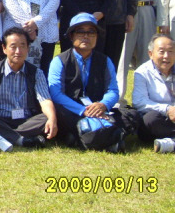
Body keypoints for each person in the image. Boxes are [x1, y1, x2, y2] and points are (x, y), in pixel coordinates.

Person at [47, 13, 130, 152]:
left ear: (97, 37)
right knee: (57, 112)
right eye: (81, 32)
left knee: (130, 116)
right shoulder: (59, 61)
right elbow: (56, 94)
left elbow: (113, 90)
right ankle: (109, 138)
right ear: (72, 36)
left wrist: (103, 105)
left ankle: (80, 137)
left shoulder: (105, 61)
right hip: (72, 111)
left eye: (91, 32)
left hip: (98, 109)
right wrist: (83, 111)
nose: (86, 36)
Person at [0, 27, 57, 150]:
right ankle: (22, 139)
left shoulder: (36, 73)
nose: (18, 51)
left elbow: (45, 100)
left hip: (26, 120)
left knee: (47, 117)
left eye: (22, 46)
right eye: (13, 46)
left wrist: (52, 119)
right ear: (4, 48)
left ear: (28, 48)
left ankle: (6, 136)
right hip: (0, 119)